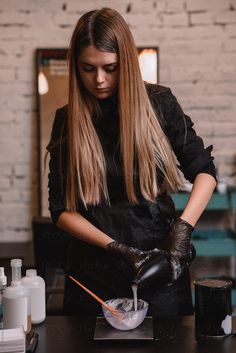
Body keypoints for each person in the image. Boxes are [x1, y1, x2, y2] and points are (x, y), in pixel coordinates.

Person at [47, 7, 217, 316]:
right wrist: (117, 247)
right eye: (88, 68)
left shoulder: (160, 104)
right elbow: (60, 211)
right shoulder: (67, 121)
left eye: (110, 68)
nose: (99, 79)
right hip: (92, 272)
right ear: (75, 67)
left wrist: (181, 234)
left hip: (159, 265)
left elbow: (205, 172)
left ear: (125, 63)